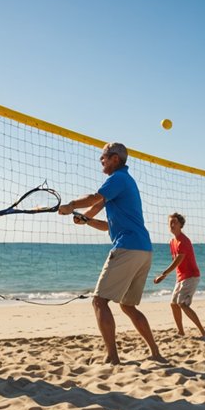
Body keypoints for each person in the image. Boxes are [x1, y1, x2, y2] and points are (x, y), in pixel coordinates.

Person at [58, 142, 165, 365]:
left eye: (103, 157)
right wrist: (85, 219)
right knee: (127, 305)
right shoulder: (125, 182)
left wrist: (70, 205)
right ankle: (155, 353)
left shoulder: (117, 179)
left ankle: (112, 357)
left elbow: (94, 198)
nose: (101, 161)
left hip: (128, 247)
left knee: (99, 301)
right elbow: (106, 221)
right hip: (144, 249)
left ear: (115, 158)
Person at [153, 213, 205, 340]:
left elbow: (177, 261)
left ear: (181, 224)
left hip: (191, 276)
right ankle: (181, 332)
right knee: (174, 304)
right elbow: (178, 264)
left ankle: (204, 333)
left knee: (182, 304)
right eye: (170, 223)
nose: (172, 225)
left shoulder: (183, 241)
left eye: (174, 222)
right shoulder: (172, 242)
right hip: (181, 277)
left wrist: (163, 275)